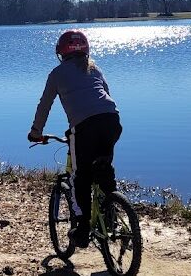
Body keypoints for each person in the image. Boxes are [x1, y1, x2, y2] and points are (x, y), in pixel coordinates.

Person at [27, 30, 123, 248]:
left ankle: (82, 228)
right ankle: (111, 214)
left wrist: (35, 131)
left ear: (61, 52)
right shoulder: (95, 68)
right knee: (103, 168)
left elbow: (45, 105)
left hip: (85, 127)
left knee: (80, 178)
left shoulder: (57, 73)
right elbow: (105, 93)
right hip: (112, 121)